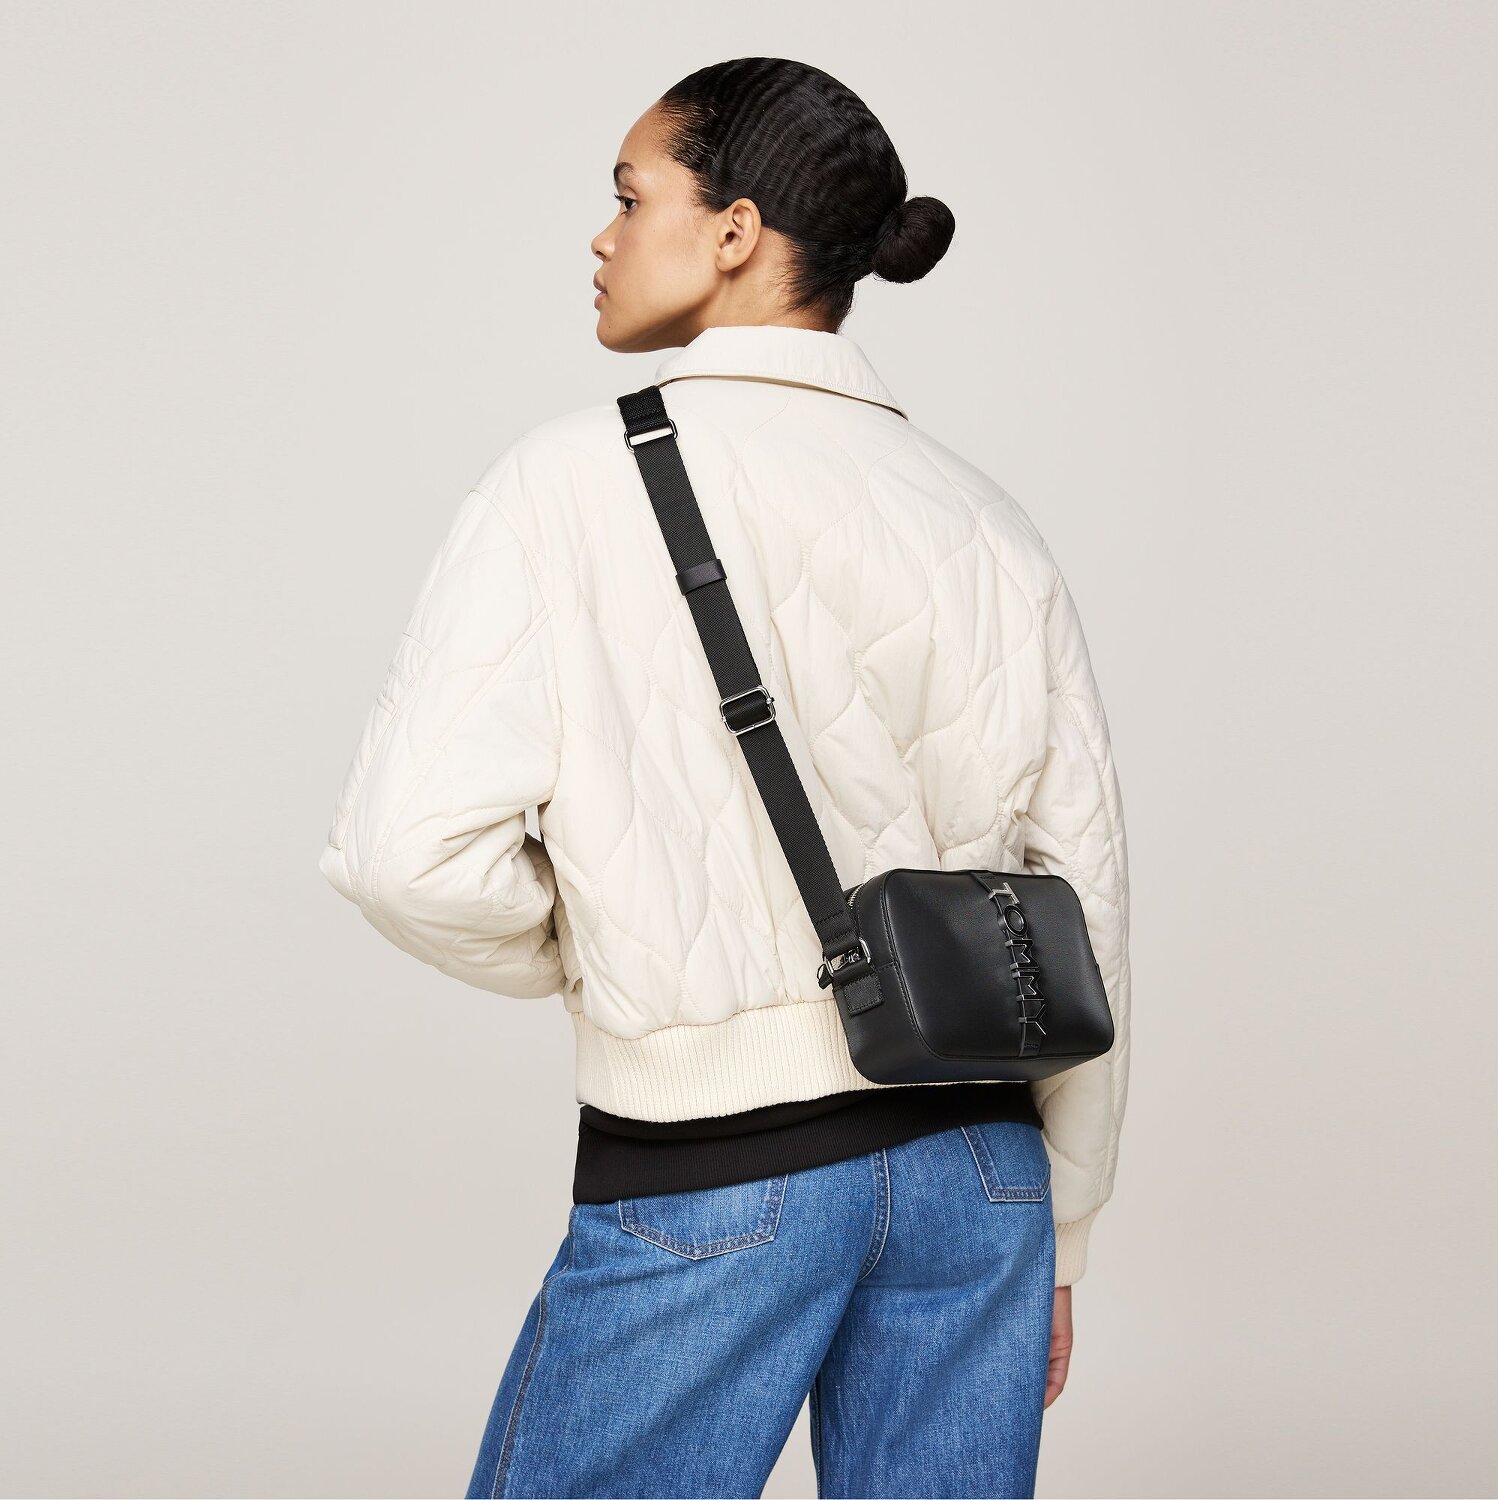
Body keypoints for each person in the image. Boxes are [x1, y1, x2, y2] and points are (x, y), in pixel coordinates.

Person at [318, 56, 1132, 1500]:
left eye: (632, 198)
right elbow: (1084, 904)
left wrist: (611, 949)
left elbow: (405, 858)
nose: (603, 236)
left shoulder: (567, 482)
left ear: (738, 231)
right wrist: (1061, 1229)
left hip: (720, 1164)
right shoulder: (985, 517)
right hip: (982, 1177)